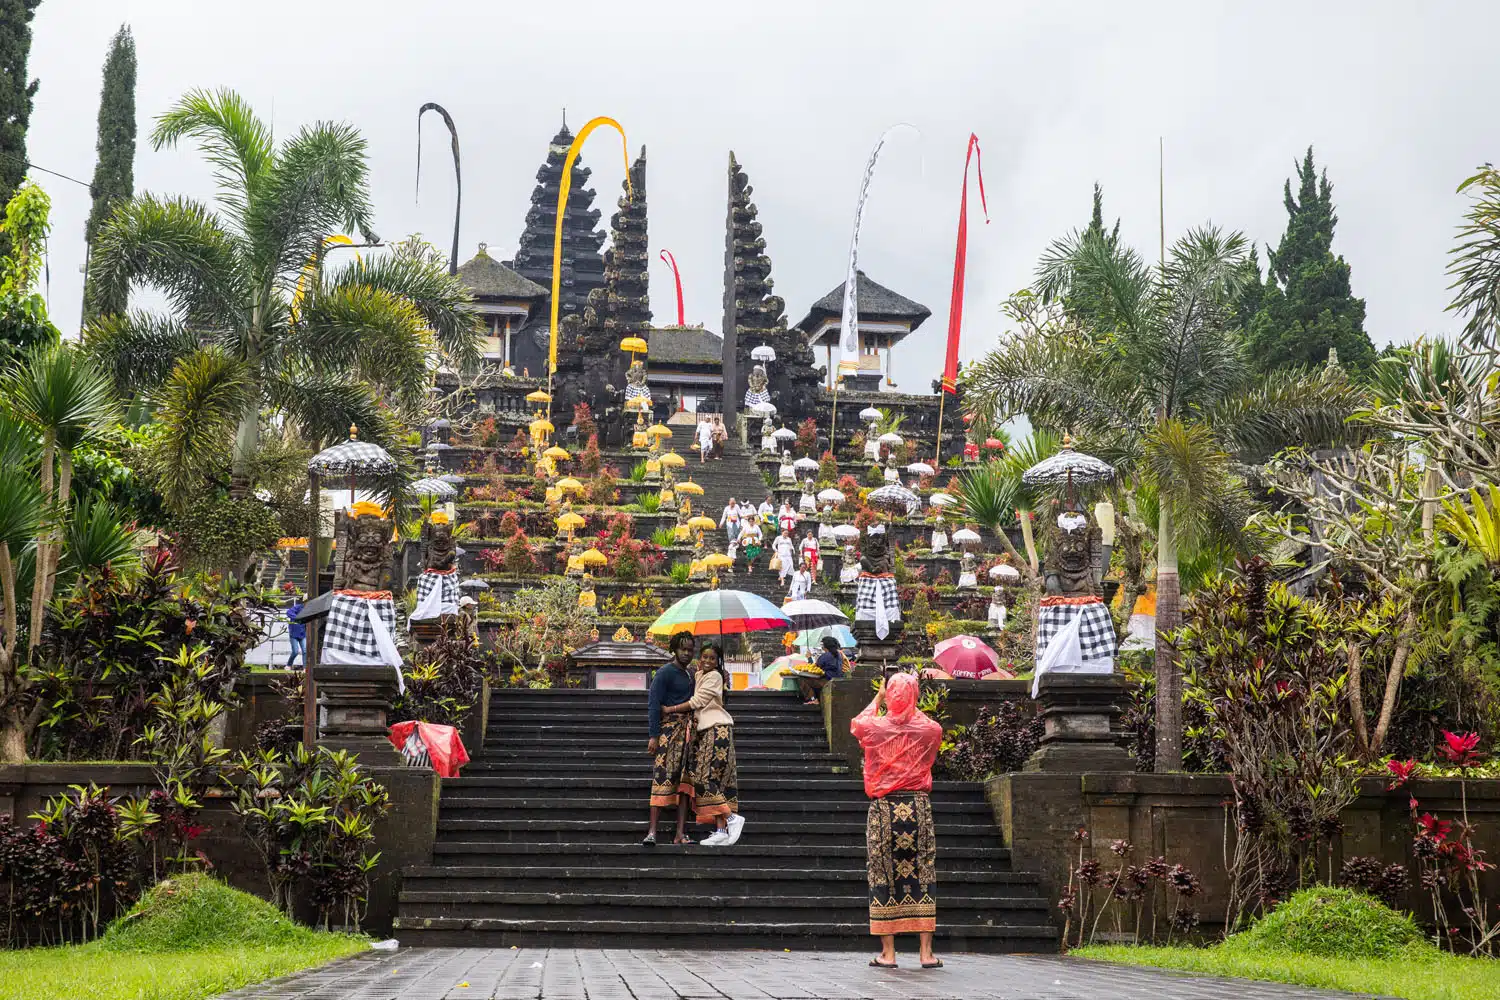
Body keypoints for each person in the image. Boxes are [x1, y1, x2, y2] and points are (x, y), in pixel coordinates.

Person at [852, 673, 943, 969]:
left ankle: (888, 954)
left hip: (883, 809)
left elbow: (858, 724)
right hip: (917, 807)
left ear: (890, 695)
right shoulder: (930, 730)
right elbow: (928, 732)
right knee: (923, 871)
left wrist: (877, 699)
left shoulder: (875, 728)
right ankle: (926, 954)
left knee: (882, 873)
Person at [663, 642, 744, 846]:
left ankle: (732, 818)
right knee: (715, 779)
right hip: (705, 731)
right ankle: (720, 830)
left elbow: (697, 701)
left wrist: (670, 710)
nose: (707, 661)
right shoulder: (701, 675)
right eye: (704, 657)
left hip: (718, 729)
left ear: (717, 663)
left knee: (704, 778)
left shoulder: (715, 676)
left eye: (712, 659)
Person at [645, 633, 699, 846]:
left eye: (690, 649)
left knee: (685, 784)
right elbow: (653, 704)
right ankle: (652, 832)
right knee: (661, 778)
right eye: (683, 649)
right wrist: (653, 735)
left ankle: (680, 833)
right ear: (674, 649)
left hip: (687, 734)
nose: (686, 653)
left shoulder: (690, 675)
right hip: (668, 733)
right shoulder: (664, 673)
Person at [798, 634, 846, 704]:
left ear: (825, 646)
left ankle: (812, 699)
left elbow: (815, 668)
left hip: (828, 681)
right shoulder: (839, 654)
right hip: (837, 679)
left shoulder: (826, 656)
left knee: (802, 679)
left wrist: (809, 658)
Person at [285, 595, 306, 666]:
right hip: (294, 634)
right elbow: (288, 612)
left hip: (303, 634)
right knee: (295, 652)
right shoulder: (298, 607)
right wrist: (297, 618)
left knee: (305, 651)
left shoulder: (309, 609)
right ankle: (288, 665)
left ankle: (305, 668)